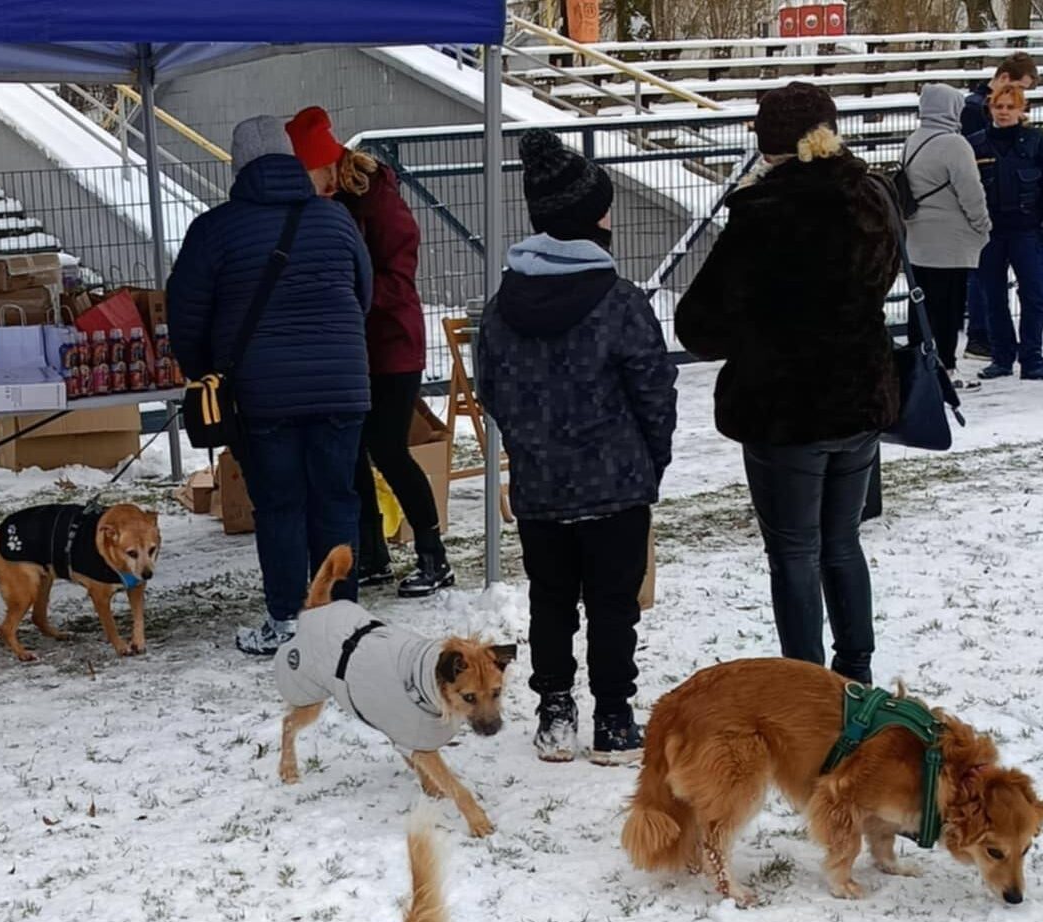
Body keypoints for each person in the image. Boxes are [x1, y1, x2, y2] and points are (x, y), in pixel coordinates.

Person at [676, 82, 898, 685]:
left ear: (767, 143)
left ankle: (809, 687)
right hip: (858, 399)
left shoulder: (761, 216)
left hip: (786, 410)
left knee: (795, 553)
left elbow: (698, 325)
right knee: (842, 542)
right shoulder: (872, 196)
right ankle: (857, 672)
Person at [475, 129, 676, 764]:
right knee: (614, 604)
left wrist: (532, 446)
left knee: (551, 599)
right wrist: (651, 460)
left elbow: (491, 391)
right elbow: (654, 387)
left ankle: (555, 713)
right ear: (590, 220)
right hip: (616, 483)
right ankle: (614, 718)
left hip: (540, 486)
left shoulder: (501, 307)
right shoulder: (620, 302)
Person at [167, 115, 374, 654]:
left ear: (237, 167)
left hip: (263, 396)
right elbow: (363, 292)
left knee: (280, 505)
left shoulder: (214, 230)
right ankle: (342, 618)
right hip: (342, 386)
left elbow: (186, 314)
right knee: (336, 500)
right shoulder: (335, 221)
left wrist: (204, 372)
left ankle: (287, 619)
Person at [285, 106, 451, 599]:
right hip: (351, 347)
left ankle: (432, 553)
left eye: (306, 173)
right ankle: (372, 551)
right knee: (352, 451)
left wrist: (345, 293)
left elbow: (399, 278)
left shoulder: (377, 200)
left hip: (392, 345)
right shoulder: (329, 201)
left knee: (388, 449)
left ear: (327, 166)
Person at [970, 84, 1043, 382]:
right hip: (990, 234)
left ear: (1021, 109)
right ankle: (1001, 358)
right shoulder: (975, 144)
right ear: (990, 108)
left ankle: (1032, 359)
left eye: (1010, 107)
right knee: (993, 297)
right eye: (999, 106)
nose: (1003, 112)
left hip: (1028, 232)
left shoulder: (1038, 143)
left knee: (1034, 297)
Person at [902, 83, 992, 376]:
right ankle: (946, 368)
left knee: (921, 307)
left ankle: (919, 369)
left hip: (918, 238)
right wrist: (983, 226)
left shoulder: (913, 140)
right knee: (949, 307)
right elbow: (971, 192)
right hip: (950, 242)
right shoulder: (955, 144)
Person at [963, 53, 1041, 359]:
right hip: (987, 209)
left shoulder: (1032, 140)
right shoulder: (974, 111)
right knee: (984, 281)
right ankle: (981, 337)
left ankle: (1002, 343)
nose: (1009, 109)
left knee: (1011, 284)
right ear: (1005, 79)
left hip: (1014, 214)